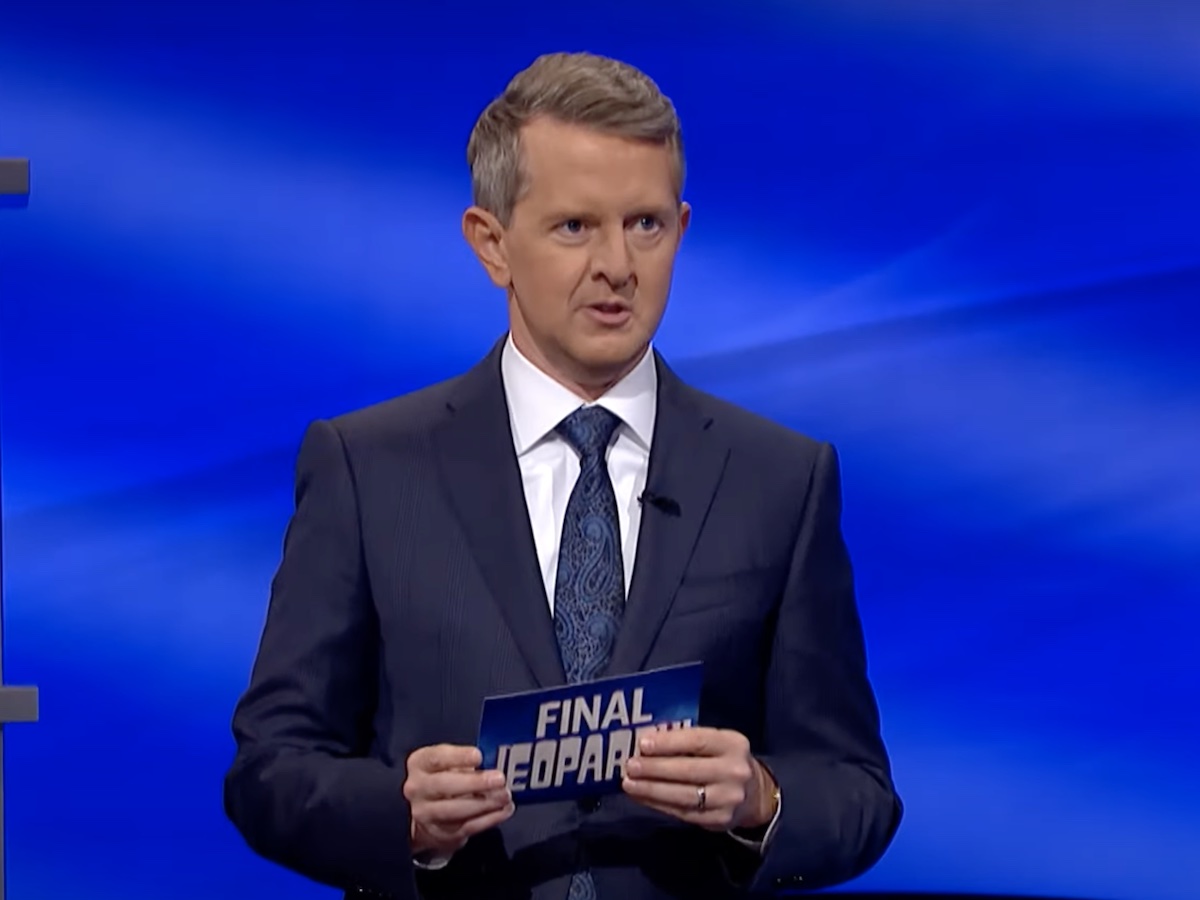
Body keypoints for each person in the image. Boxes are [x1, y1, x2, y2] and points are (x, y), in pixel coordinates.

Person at [224, 51, 901, 900]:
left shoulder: (779, 478)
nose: (618, 265)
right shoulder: (369, 468)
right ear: (492, 244)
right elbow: (269, 771)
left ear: (682, 230)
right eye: (575, 227)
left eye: (646, 224)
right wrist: (400, 813)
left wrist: (760, 797)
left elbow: (858, 789)